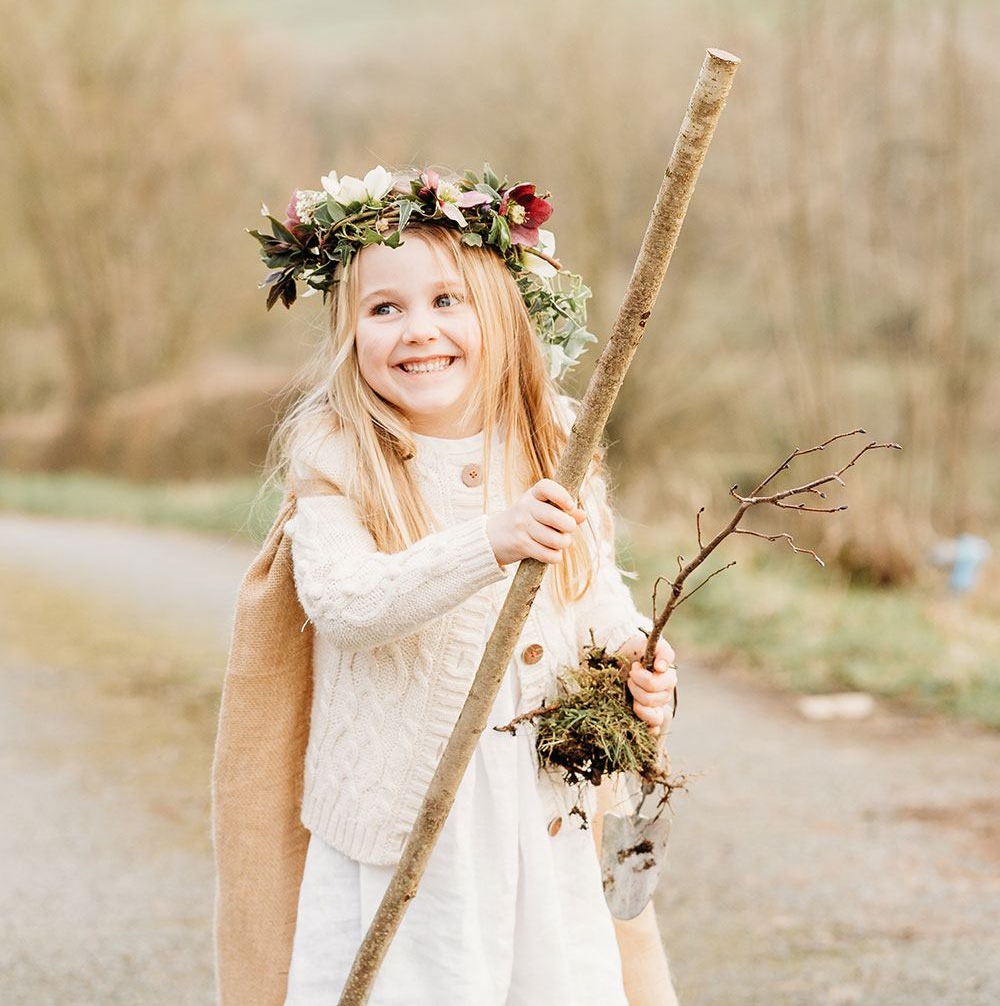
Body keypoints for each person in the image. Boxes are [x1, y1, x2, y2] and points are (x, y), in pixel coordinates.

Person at [214, 165, 678, 1006]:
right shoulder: (337, 453)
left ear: (499, 310)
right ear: (349, 333)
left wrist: (635, 661)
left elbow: (592, 591)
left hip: (538, 812)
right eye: (384, 308)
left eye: (445, 301)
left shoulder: (552, 437)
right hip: (409, 826)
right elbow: (347, 605)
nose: (417, 329)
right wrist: (488, 541)